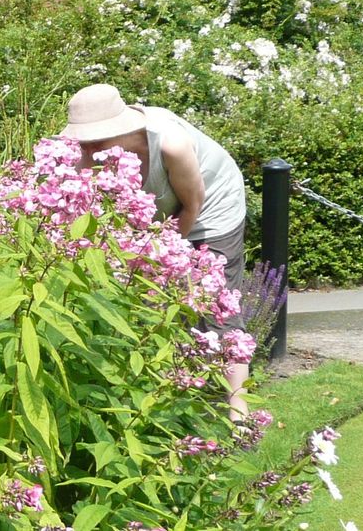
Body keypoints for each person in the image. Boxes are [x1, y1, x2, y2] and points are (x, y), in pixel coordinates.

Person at [62, 83, 249, 418]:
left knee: (216, 300)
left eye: (96, 142)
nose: (87, 154)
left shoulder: (170, 144)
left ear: (122, 129)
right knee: (145, 299)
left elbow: (192, 206)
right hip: (152, 216)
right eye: (83, 143)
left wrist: (160, 255)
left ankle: (237, 406)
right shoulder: (86, 154)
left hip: (210, 210)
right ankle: (170, 392)